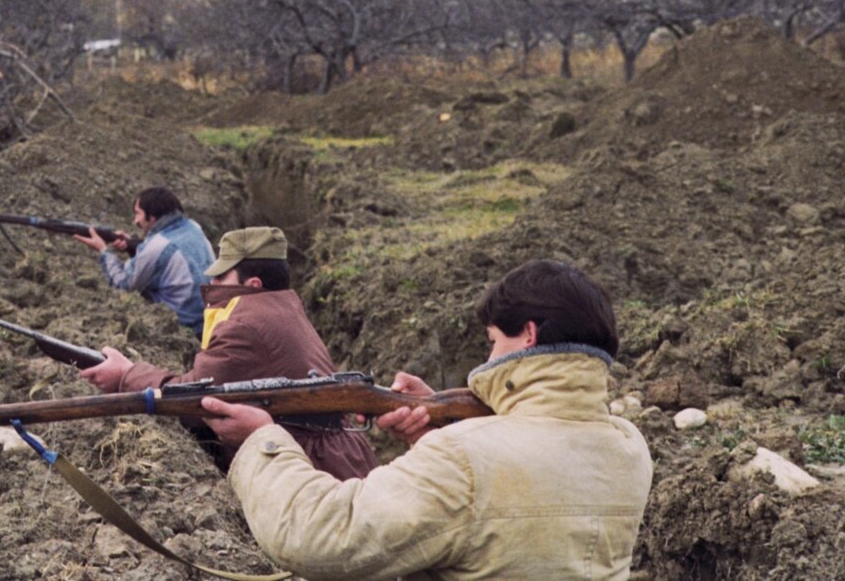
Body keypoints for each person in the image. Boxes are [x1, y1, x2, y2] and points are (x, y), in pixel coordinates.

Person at [201, 259, 653, 580]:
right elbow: (516, 505)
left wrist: (263, 440)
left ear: (528, 335)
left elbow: (322, 537)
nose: (489, 355)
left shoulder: (464, 457)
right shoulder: (629, 447)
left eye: (493, 341)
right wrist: (442, 429)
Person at [80, 226, 378, 482]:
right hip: (337, 461)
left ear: (253, 284)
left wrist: (126, 375)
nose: (211, 285)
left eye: (221, 277)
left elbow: (192, 396)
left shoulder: (245, 324)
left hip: (318, 470)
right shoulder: (281, 306)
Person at [74, 186, 213, 336]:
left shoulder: (156, 247)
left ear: (152, 217)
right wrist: (133, 247)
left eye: (138, 214)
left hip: (185, 329)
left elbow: (123, 284)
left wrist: (103, 250)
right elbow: (164, 256)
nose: (135, 221)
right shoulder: (193, 227)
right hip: (211, 320)